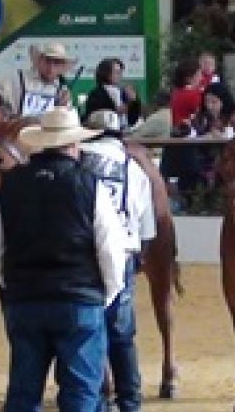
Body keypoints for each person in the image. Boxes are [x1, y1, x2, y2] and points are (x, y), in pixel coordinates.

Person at [0, 108, 126, 412]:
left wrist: (5, 283)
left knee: (23, 392)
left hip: (24, 298)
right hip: (79, 299)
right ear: (74, 144)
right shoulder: (90, 184)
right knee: (81, 394)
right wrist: (108, 292)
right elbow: (110, 249)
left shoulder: (10, 184)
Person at [80, 110, 156, 412]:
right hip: (121, 252)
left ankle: (97, 397)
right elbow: (146, 225)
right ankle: (129, 401)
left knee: (87, 331)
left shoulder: (78, 161)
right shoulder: (133, 168)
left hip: (81, 255)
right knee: (122, 334)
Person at [0, 42, 75, 121]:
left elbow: (65, 121)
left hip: (46, 138)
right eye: (48, 61)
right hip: (13, 136)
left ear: (62, 67)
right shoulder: (16, 78)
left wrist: (62, 110)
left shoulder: (62, 91)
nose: (51, 68)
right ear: (39, 61)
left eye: (56, 63)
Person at [82, 58, 141, 130]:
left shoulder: (123, 92)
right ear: (106, 73)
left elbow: (133, 119)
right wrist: (119, 109)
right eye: (116, 72)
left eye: (120, 72)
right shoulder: (96, 94)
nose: (120, 75)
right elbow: (96, 117)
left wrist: (133, 101)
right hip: (105, 133)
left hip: (127, 130)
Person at [168, 60, 204, 129]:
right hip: (187, 132)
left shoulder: (175, 92)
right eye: (199, 75)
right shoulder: (194, 94)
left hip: (174, 129)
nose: (201, 78)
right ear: (189, 78)